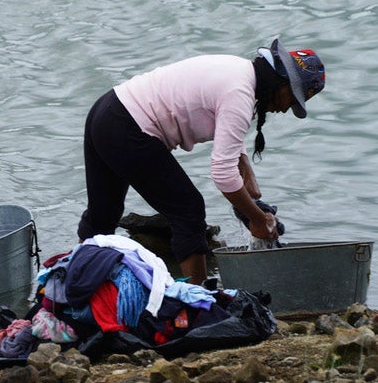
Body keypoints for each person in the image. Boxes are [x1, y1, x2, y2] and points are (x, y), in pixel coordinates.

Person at [77, 38, 326, 285]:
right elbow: (222, 173)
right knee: (189, 211)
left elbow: (228, 133)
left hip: (107, 111)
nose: (285, 109)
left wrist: (247, 174)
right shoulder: (240, 94)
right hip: (129, 127)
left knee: (103, 215)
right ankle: (196, 303)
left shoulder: (239, 71)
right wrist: (258, 220)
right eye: (292, 99)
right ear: (281, 82)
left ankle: (74, 285)